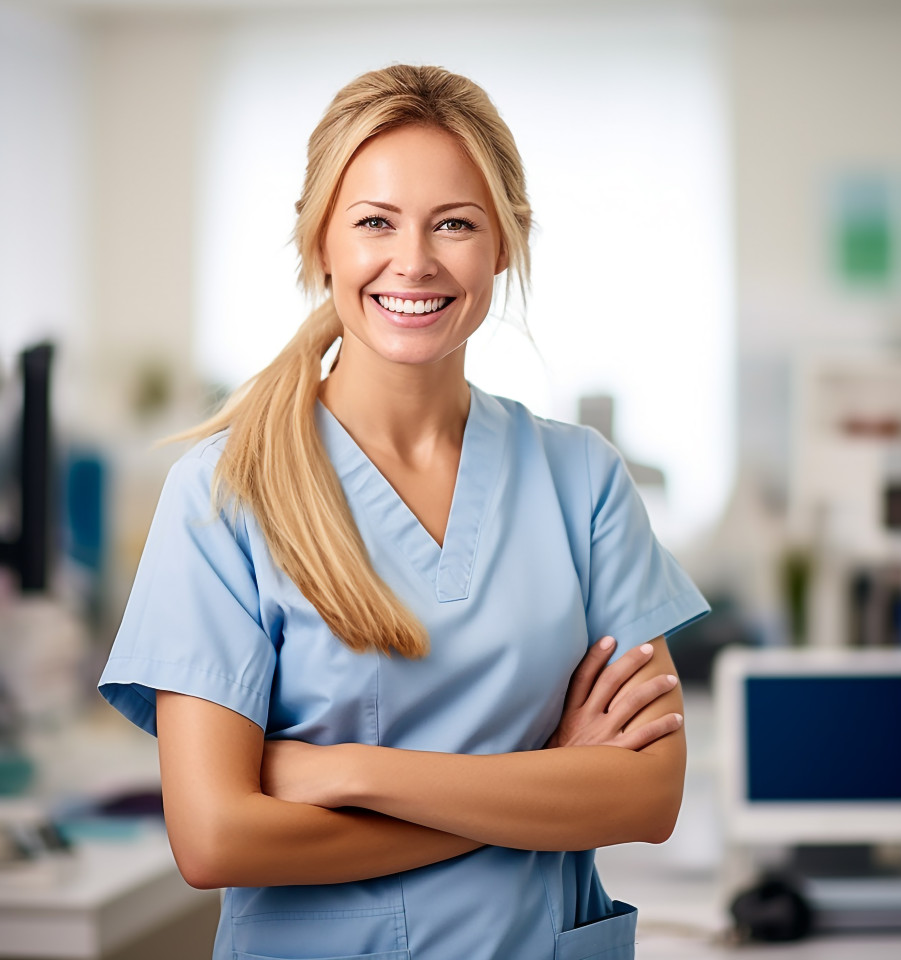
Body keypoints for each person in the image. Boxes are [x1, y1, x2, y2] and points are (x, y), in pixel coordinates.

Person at [99, 64, 710, 960]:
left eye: (454, 223)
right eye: (375, 222)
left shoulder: (582, 479)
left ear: (503, 245)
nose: (414, 261)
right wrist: (545, 784)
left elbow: (648, 797)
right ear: (321, 242)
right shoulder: (224, 493)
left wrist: (351, 772)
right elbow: (216, 839)